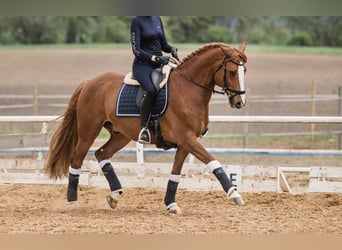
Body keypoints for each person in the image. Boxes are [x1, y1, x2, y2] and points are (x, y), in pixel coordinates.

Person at [130, 16, 178, 144]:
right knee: (151, 90)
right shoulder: (137, 21)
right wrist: (155, 58)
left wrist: (171, 49)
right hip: (143, 65)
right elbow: (136, 50)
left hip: (159, 64)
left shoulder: (157, 19)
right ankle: (144, 128)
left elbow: (164, 45)